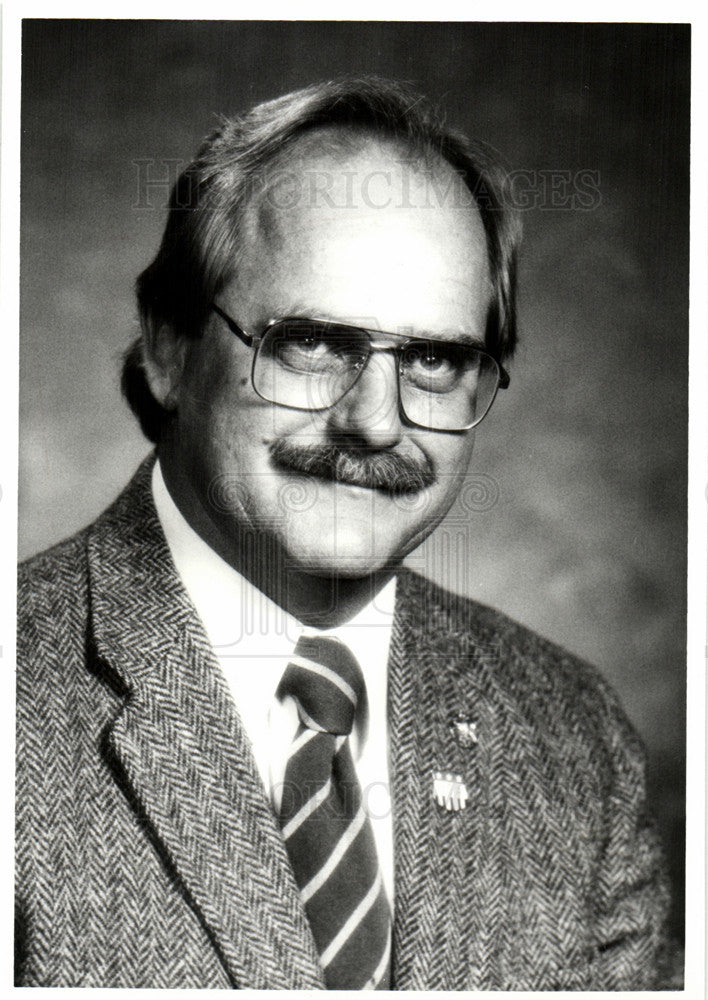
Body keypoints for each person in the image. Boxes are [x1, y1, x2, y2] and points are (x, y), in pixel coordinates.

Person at [15, 77, 674, 990]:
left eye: (437, 360)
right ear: (169, 347)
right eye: (315, 343)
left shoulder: (574, 737)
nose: (375, 423)